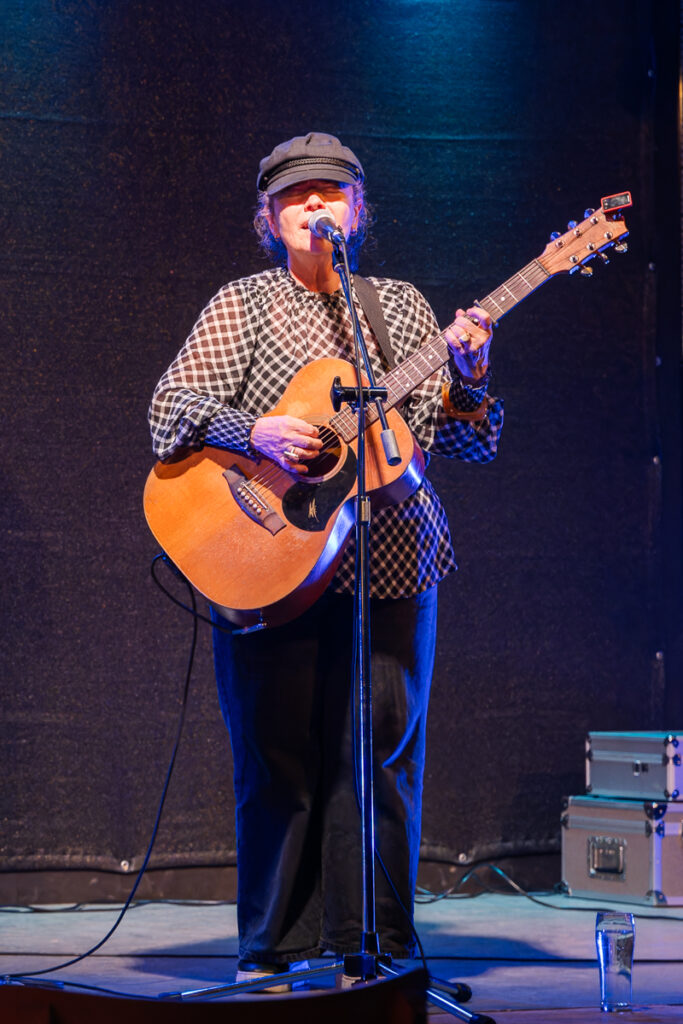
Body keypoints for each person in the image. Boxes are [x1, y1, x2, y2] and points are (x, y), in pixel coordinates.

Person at [148, 131, 503, 983]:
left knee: (380, 761)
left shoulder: (399, 308)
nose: (315, 205)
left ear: (357, 209)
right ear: (269, 217)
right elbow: (167, 411)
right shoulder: (245, 305)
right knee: (276, 759)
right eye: (295, 195)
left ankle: (371, 950)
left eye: (331, 192)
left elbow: (470, 443)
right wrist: (254, 430)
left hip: (393, 561)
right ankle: (273, 951)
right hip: (270, 560)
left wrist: (470, 379)